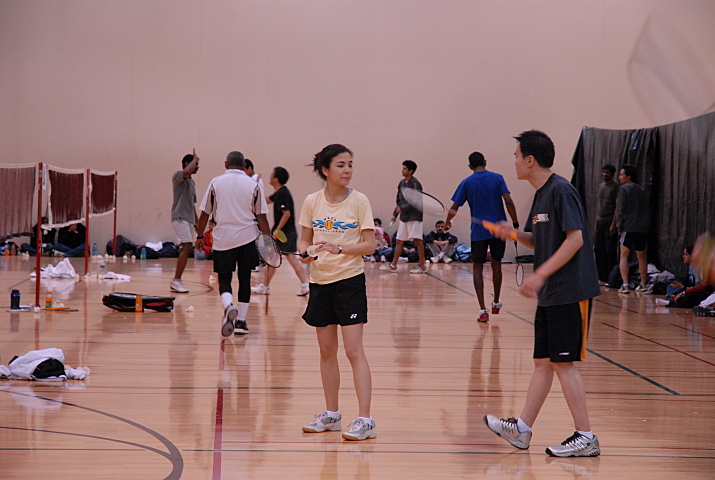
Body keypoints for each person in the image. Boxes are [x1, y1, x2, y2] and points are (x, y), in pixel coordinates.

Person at [484, 130, 602, 457]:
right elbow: (538, 239)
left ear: (530, 160)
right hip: (551, 293)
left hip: (571, 290)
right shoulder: (541, 195)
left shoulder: (561, 190)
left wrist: (539, 275)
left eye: (516, 156)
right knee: (542, 362)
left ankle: (586, 437)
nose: (514, 162)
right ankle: (521, 430)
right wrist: (513, 233)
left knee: (563, 363)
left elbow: (575, 239)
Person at [298, 144, 377, 441]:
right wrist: (305, 253)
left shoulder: (359, 201)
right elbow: (304, 240)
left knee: (354, 351)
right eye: (341, 165)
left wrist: (339, 247)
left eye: (350, 164)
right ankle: (331, 414)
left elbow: (370, 245)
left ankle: (366, 420)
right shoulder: (311, 201)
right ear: (325, 170)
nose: (347, 170)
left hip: (349, 282)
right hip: (320, 282)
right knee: (326, 351)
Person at [195, 151, 270, 336]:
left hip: (224, 239)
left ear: (226, 164)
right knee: (245, 278)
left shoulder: (216, 182)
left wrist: (199, 236)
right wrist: (267, 242)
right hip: (248, 238)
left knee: (224, 278)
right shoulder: (253, 185)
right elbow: (261, 216)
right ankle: (241, 322)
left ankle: (229, 305)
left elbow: (205, 213)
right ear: (244, 165)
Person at [446, 151, 518, 322]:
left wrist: (448, 221)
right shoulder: (498, 178)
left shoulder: (466, 183)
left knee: (477, 269)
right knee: (496, 265)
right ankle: (496, 301)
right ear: (485, 161)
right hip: (498, 230)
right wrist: (515, 223)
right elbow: (508, 201)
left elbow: (454, 207)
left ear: (470, 166)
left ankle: (482, 310)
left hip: (478, 232)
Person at [251, 166, 310, 296]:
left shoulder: (282, 194)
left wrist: (277, 229)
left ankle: (265, 287)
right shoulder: (279, 193)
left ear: (276, 178)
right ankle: (304, 285)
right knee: (286, 258)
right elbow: (264, 201)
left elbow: (286, 213)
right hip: (288, 232)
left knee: (274, 259)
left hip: (284, 233)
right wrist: (255, 185)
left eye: (272, 175)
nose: (270, 177)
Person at [380, 160, 427, 274]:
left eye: (405, 169)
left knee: (417, 240)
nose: (402, 170)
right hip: (404, 217)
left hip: (414, 216)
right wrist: (395, 214)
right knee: (399, 240)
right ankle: (393, 265)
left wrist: (402, 208)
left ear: (411, 171)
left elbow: (416, 201)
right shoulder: (401, 183)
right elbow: (399, 200)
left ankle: (422, 266)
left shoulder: (416, 183)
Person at [611, 164, 649, 293]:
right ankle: (643, 284)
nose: (619, 177)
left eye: (621, 175)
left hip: (628, 226)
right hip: (642, 228)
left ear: (629, 177)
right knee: (641, 257)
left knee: (624, 256)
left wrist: (619, 227)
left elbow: (621, 210)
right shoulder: (641, 190)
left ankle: (625, 284)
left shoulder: (623, 189)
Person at [170, 150, 199, 293]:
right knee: (187, 248)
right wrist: (195, 159)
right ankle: (176, 280)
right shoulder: (177, 176)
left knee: (186, 249)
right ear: (187, 164)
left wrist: (198, 223)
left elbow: (192, 205)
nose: (197, 167)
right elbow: (186, 172)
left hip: (188, 220)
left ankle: (177, 280)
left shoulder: (192, 183)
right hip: (179, 218)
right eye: (196, 164)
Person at [593, 164, 619, 284]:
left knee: (610, 251)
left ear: (612, 174)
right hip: (600, 222)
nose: (604, 174)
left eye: (607, 172)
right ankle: (601, 277)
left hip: (609, 222)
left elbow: (617, 207)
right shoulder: (601, 186)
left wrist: (613, 224)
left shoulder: (616, 187)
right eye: (603, 172)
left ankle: (611, 278)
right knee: (599, 250)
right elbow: (599, 203)